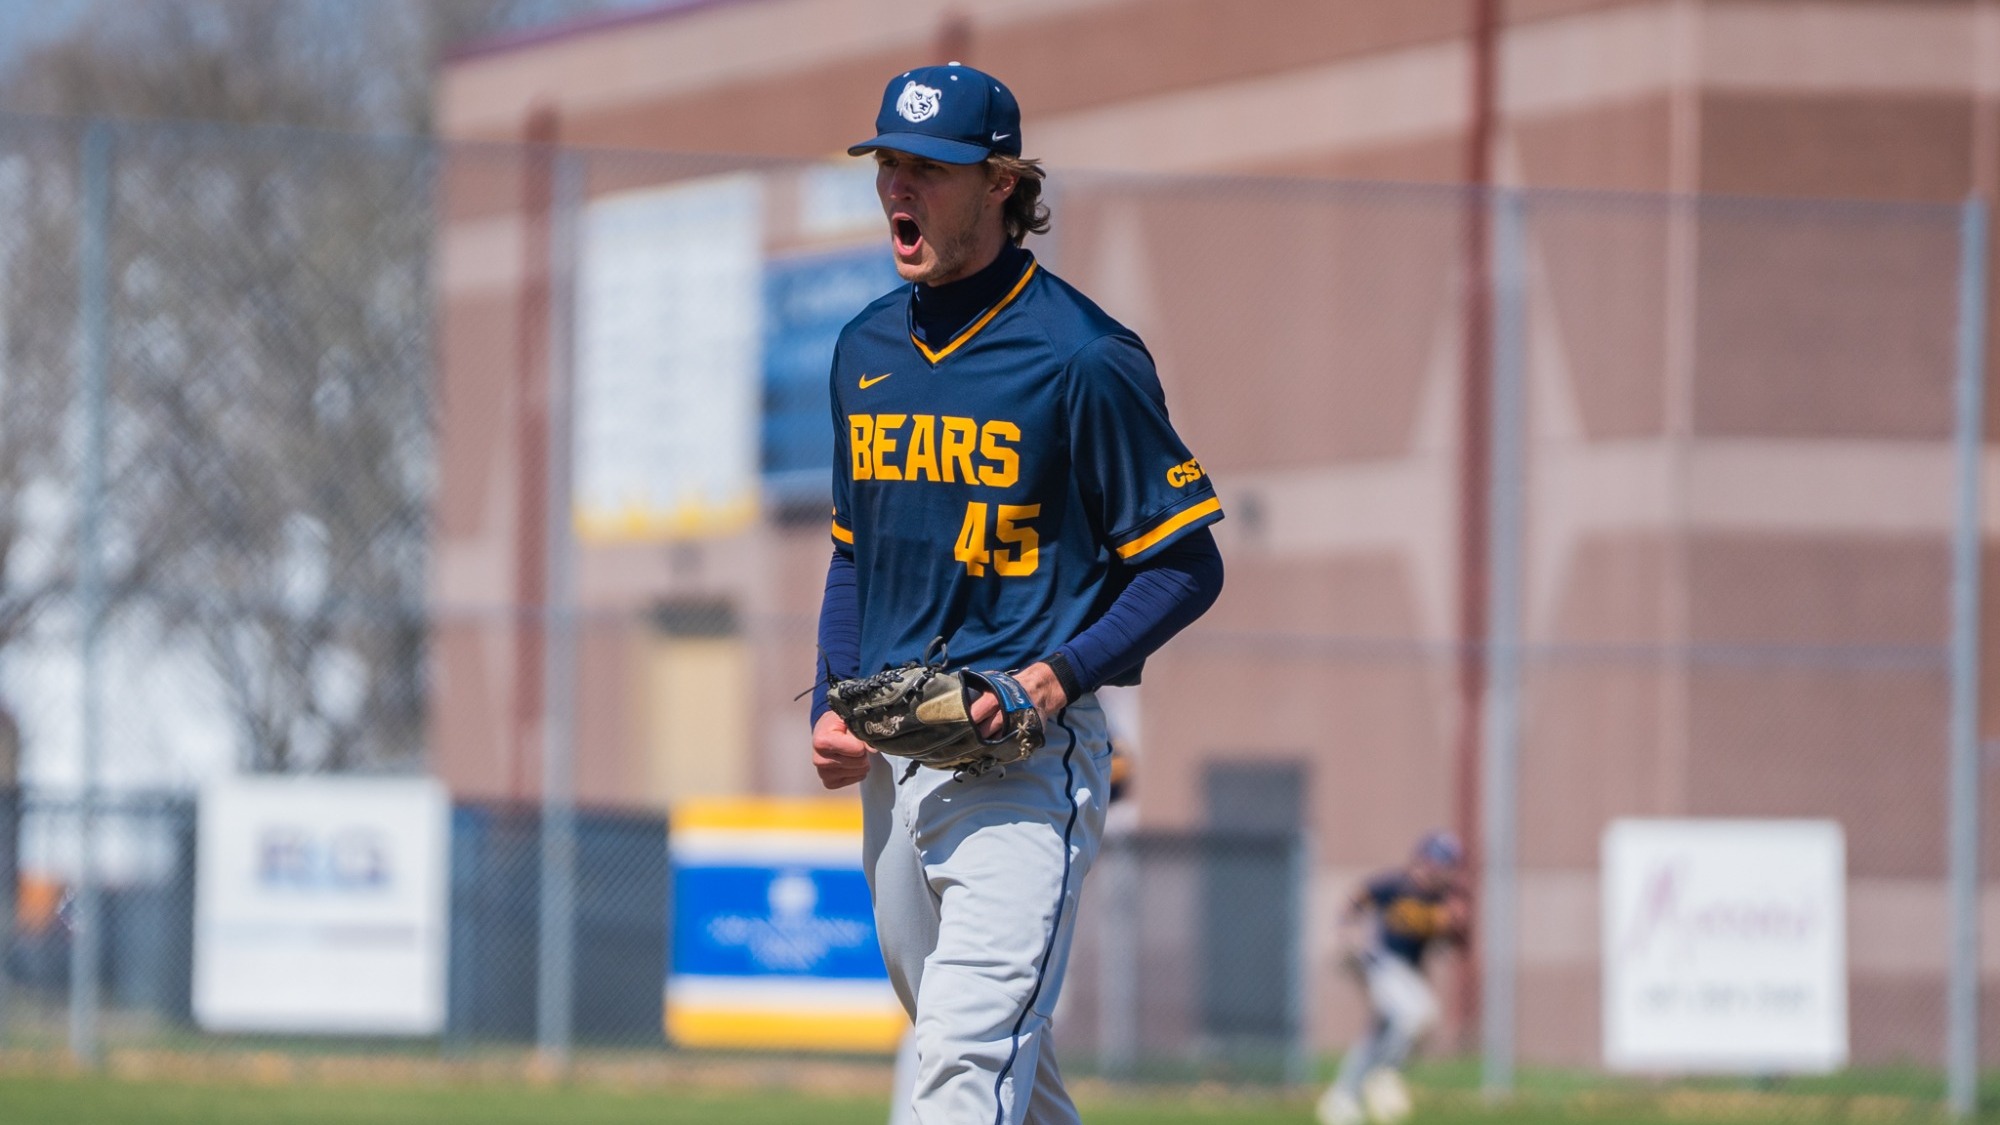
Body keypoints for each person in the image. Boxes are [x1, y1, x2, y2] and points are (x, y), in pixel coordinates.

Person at [810, 61, 1225, 1125]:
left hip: (1021, 764)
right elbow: (855, 553)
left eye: (930, 170)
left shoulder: (1081, 357)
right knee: (996, 1071)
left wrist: (1053, 677)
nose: (900, 189)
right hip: (893, 763)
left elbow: (1185, 565)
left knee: (956, 1067)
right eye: (888, 166)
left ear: (1001, 182)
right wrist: (829, 697)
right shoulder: (864, 349)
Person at [1316, 830, 1471, 1125]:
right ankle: (1384, 1075)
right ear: (1422, 861)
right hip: (1382, 965)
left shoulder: (1444, 900)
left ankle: (1343, 1098)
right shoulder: (1396, 885)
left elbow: (1458, 943)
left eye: (1448, 866)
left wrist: (1457, 926)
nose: (1440, 872)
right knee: (1418, 1015)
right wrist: (1342, 932)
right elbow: (1356, 899)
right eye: (1438, 864)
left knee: (1382, 1031)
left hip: (1408, 974)